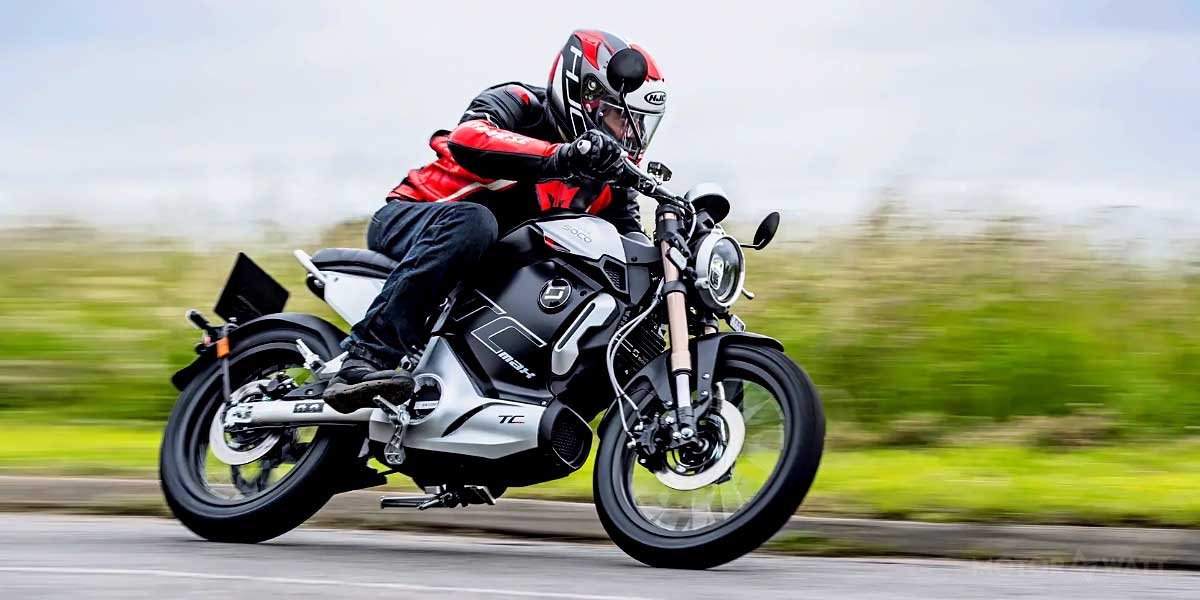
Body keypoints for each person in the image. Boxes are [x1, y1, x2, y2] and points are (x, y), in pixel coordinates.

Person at [323, 29, 668, 413]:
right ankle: (366, 357)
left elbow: (629, 243)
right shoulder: (521, 103)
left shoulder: (608, 180)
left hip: (483, 267)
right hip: (411, 216)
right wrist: (563, 156)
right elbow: (469, 137)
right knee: (476, 221)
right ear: (586, 97)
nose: (630, 134)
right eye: (622, 117)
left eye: (640, 123)